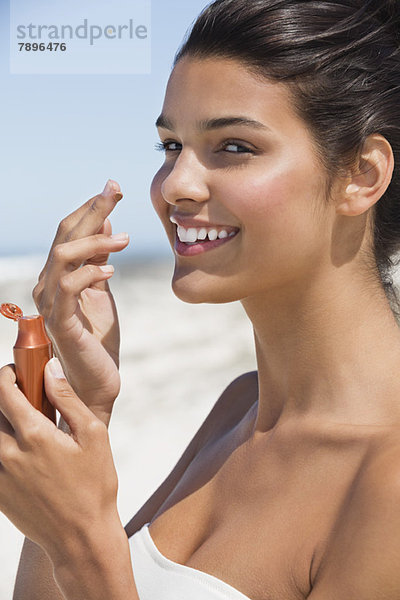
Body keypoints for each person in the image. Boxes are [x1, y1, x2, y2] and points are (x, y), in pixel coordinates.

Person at [1, 0, 400, 597]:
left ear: (362, 175)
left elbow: (88, 566)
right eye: (170, 146)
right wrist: (83, 410)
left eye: (234, 147)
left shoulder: (387, 479)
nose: (175, 187)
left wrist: (82, 543)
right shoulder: (238, 409)